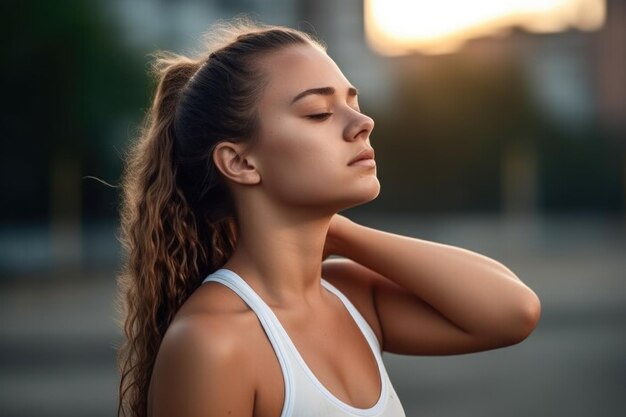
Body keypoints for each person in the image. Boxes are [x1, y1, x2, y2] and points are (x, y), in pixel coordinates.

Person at [116, 19, 541, 417]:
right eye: (319, 112)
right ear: (240, 162)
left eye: (353, 102)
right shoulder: (212, 343)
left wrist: (339, 233)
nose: (362, 122)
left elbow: (514, 311)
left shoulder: (349, 297)